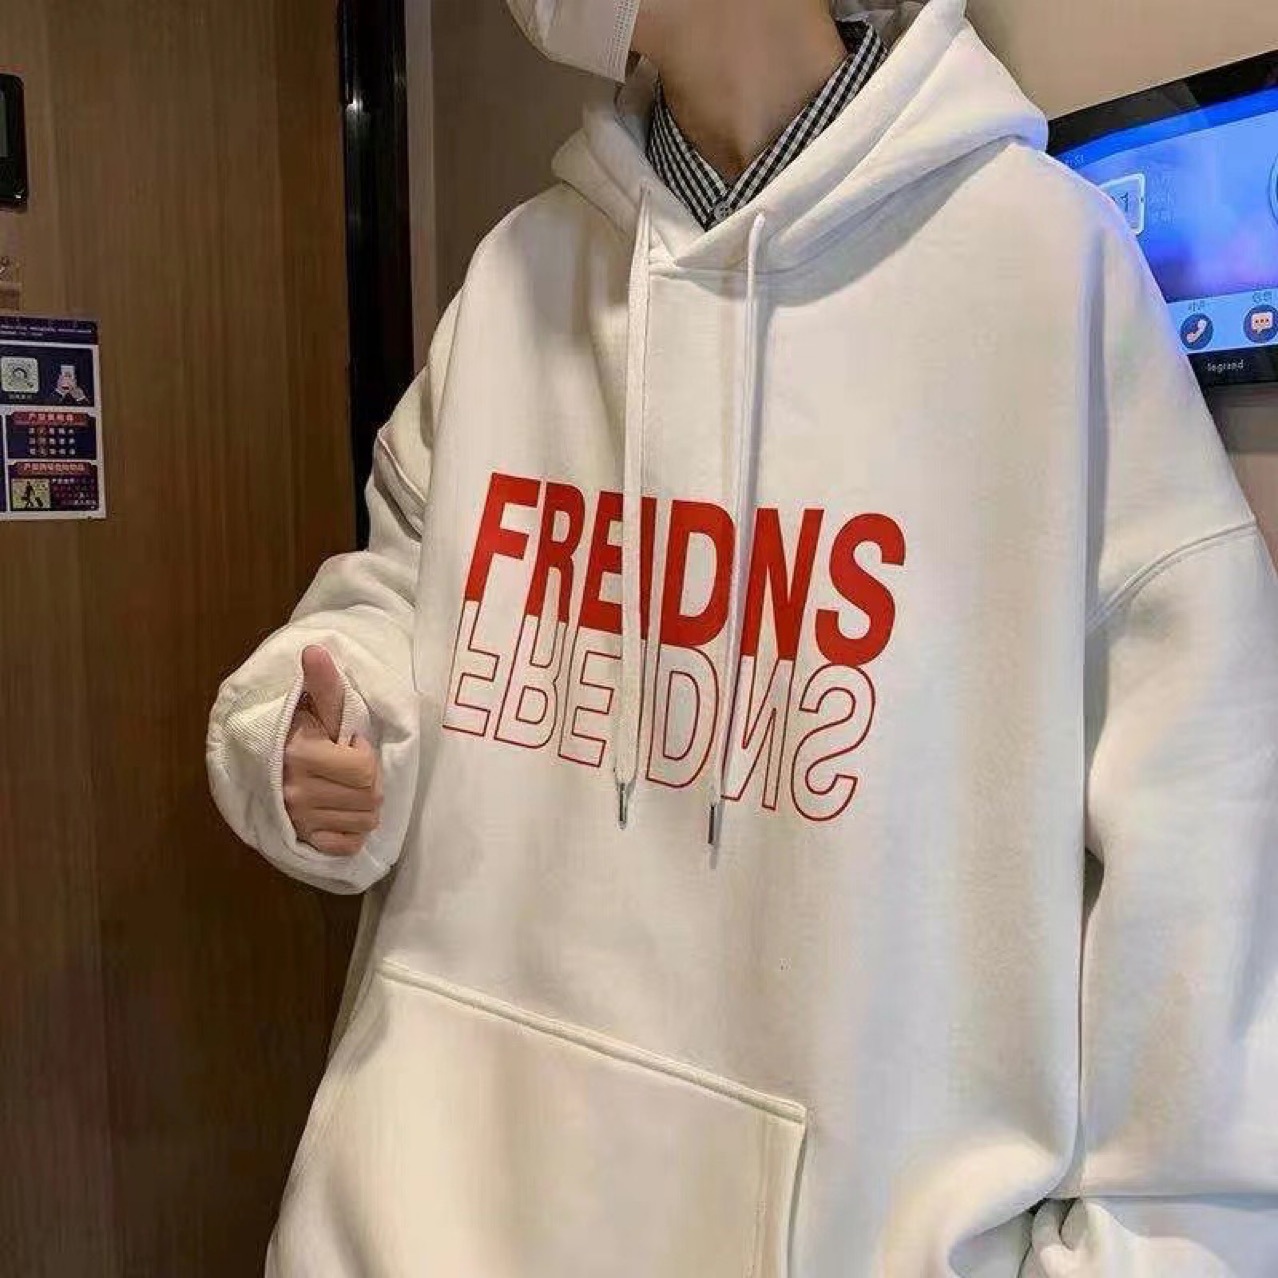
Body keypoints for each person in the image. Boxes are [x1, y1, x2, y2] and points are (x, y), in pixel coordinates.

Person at [208, 0, 1278, 1272]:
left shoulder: (1044, 271)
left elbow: (1206, 837)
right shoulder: (517, 273)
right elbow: (398, 585)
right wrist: (323, 719)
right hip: (409, 1218)